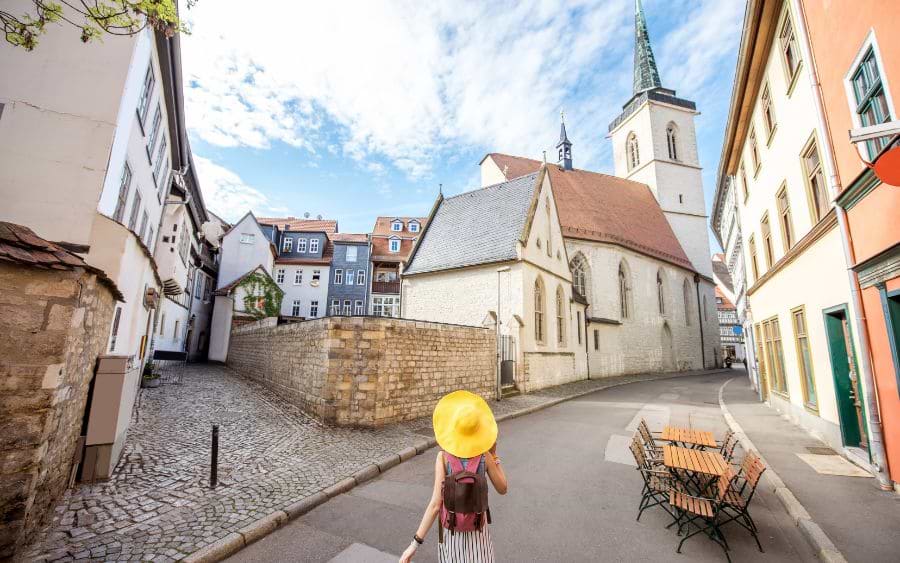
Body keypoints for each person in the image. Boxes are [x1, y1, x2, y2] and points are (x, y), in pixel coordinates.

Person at [400, 390, 508, 563]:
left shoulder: (443, 458)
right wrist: (495, 457)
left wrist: (413, 545)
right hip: (478, 534)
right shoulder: (485, 456)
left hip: (451, 535)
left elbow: (436, 505)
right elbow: (503, 488)